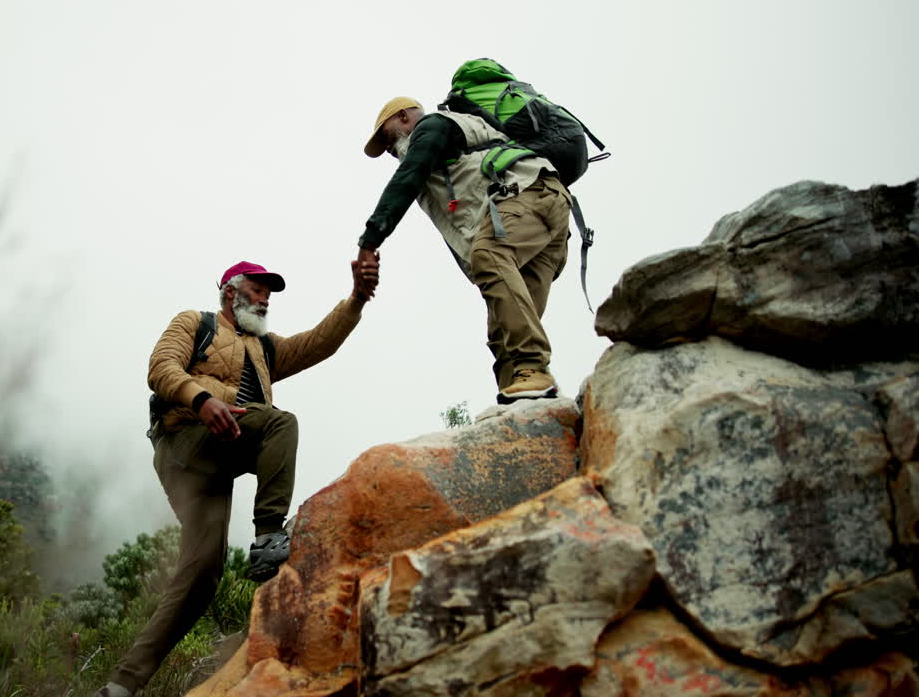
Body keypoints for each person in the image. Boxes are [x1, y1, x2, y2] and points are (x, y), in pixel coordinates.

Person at [93, 258, 378, 697]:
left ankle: (120, 686)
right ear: (232, 291)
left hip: (222, 458)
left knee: (202, 576)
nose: (266, 300)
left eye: (269, 294)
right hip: (186, 443)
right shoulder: (195, 322)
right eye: (259, 290)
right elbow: (161, 367)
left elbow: (316, 343)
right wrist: (202, 399)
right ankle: (268, 536)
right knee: (281, 423)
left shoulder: (265, 349)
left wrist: (356, 299)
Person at [356, 96, 573, 403]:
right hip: (546, 213)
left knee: (489, 256)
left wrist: (370, 241)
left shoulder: (432, 127)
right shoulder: (453, 146)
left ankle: (532, 371)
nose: (389, 150)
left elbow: (406, 179)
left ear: (404, 117)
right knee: (503, 323)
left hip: (528, 195)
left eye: (387, 138)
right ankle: (525, 397)